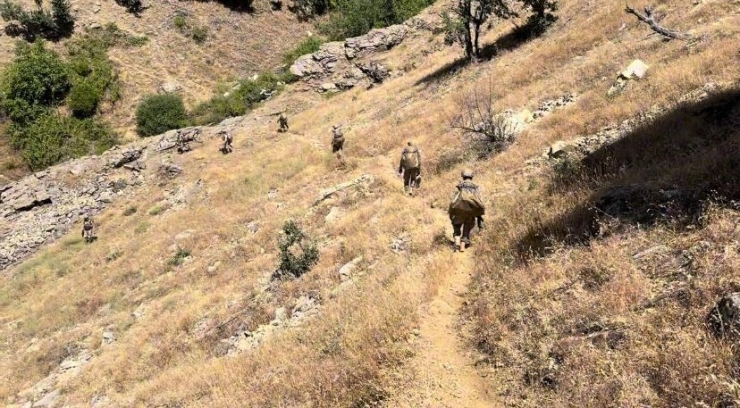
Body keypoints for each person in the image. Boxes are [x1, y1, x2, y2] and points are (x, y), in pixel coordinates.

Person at [448, 169, 485, 253]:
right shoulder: (476, 187)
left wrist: (451, 211)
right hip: (470, 210)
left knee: (456, 225)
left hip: (459, 209)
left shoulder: (459, 186)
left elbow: (453, 199)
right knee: (467, 225)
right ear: (471, 176)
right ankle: (463, 245)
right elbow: (480, 200)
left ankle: (456, 242)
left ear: (463, 176)